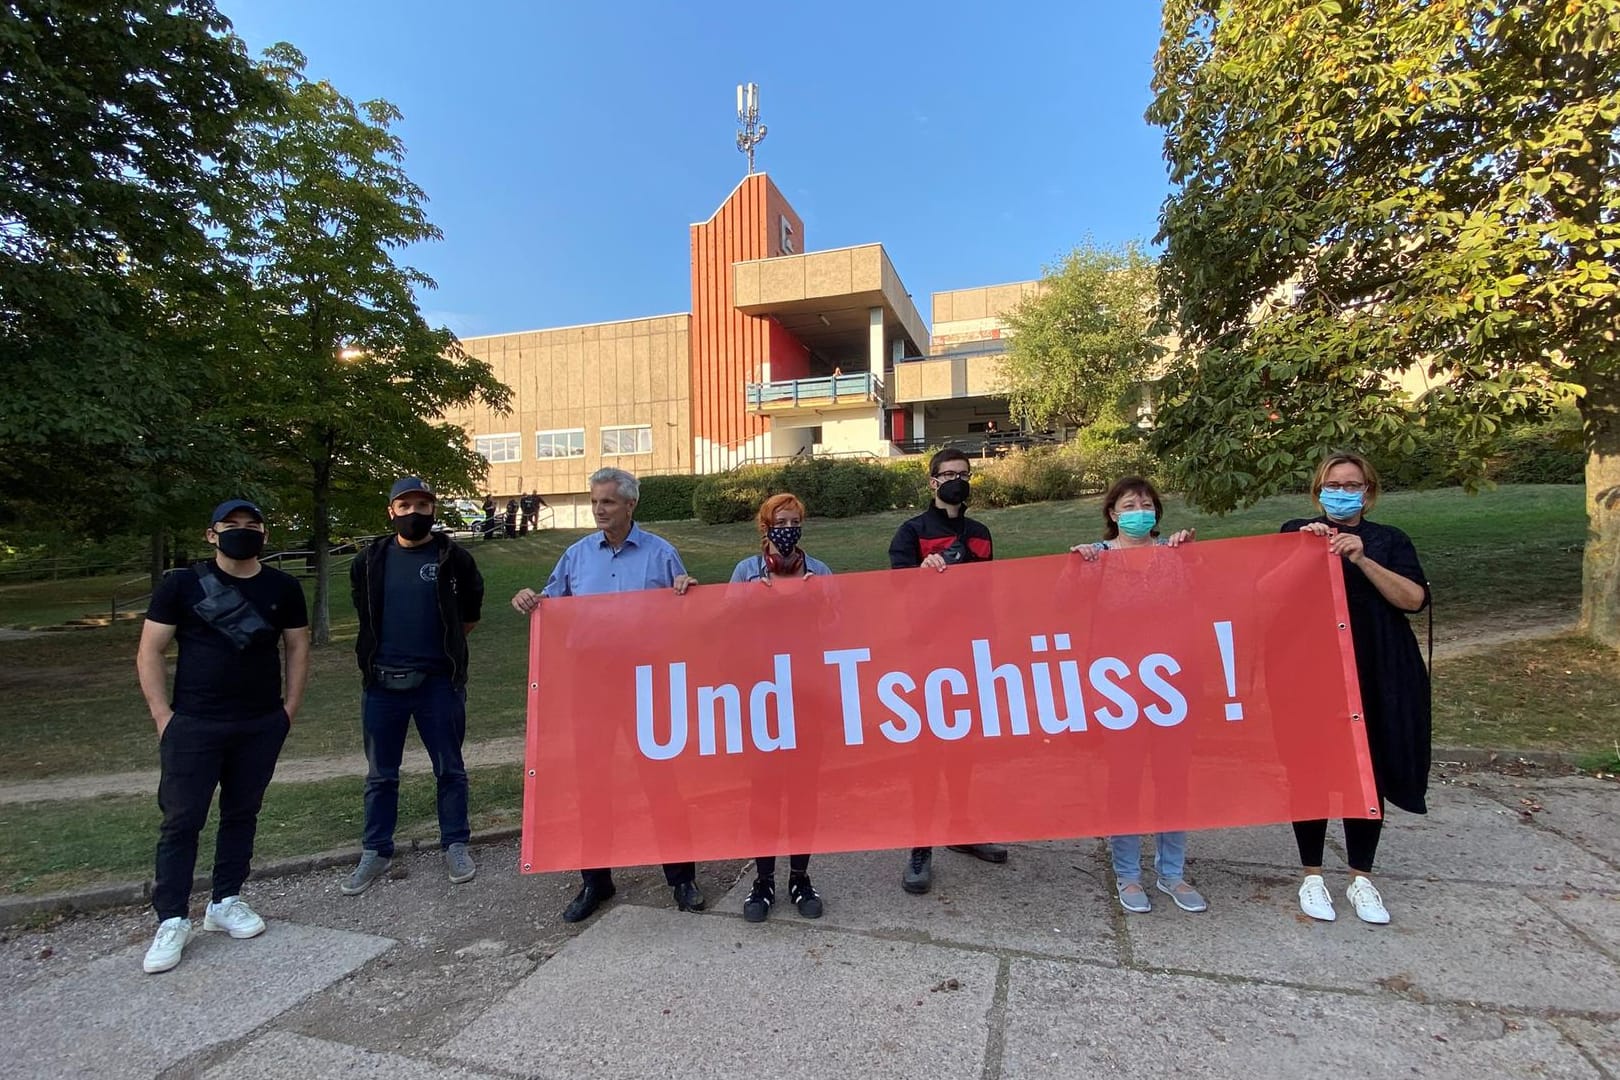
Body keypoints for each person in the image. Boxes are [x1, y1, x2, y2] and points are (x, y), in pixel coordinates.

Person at [511, 467, 701, 922]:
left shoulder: (661, 554)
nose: (598, 509)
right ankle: (596, 880)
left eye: (608, 502)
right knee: (593, 786)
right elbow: (550, 603)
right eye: (595, 501)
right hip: (592, 690)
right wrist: (528, 599)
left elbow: (686, 611)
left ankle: (682, 878)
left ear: (630, 505)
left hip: (646, 688)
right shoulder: (576, 557)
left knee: (662, 785)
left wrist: (687, 591)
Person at [135, 499, 310, 973]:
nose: (242, 532)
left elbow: (297, 645)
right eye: (231, 526)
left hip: (259, 722)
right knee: (181, 820)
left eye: (252, 525)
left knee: (242, 813)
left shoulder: (283, 587)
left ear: (265, 535)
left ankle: (225, 900)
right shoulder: (182, 585)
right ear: (211, 535)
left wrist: (288, 708)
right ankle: (172, 918)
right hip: (193, 724)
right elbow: (151, 649)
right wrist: (162, 714)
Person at [1283, 452, 1430, 925]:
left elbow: (1413, 599)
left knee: (1369, 771)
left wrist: (1362, 558)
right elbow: (1265, 591)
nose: (1342, 491)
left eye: (1352, 484)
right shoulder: (1296, 533)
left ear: (1368, 491)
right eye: (1334, 483)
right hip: (1315, 670)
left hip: (1379, 667)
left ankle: (1361, 878)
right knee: (1313, 770)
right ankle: (1312, 876)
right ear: (1317, 490)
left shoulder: (1389, 540)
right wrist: (1301, 552)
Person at [342, 477, 485, 895]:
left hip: (438, 683)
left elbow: (470, 614)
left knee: (450, 769)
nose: (414, 513)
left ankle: (456, 844)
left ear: (433, 510)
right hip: (381, 684)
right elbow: (365, 612)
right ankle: (376, 850)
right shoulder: (368, 561)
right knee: (380, 775)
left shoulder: (453, 558)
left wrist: (443, 650)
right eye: (405, 506)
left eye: (422, 505)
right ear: (391, 511)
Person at [1070, 476, 1205, 914]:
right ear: (1113, 513)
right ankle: (1127, 874)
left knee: (1174, 781)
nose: (1139, 511)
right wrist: (1078, 568)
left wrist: (1193, 558)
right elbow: (1059, 604)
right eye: (1129, 504)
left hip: (1172, 688)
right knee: (1124, 780)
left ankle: (1172, 873)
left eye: (1146, 504)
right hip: (1119, 690)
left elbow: (1205, 600)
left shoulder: (1173, 555)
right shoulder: (1097, 557)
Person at [887, 447, 1006, 894]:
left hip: (970, 659)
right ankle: (921, 845)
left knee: (964, 751)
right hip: (926, 661)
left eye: (963, 473)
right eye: (947, 473)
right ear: (932, 481)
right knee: (926, 756)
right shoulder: (911, 532)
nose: (956, 479)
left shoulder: (980, 533)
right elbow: (896, 597)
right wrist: (923, 574)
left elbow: (987, 594)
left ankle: (961, 829)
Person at [728, 493, 831, 922]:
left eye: (794, 520)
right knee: (765, 792)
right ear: (765, 526)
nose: (787, 527)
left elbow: (844, 628)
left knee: (805, 791)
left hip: (808, 694)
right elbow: (724, 625)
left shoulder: (820, 572)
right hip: (761, 697)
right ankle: (763, 880)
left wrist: (819, 602)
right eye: (780, 520)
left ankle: (800, 877)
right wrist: (754, 600)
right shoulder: (745, 572)